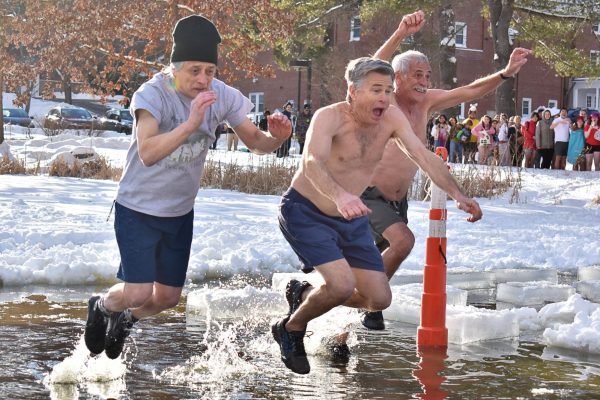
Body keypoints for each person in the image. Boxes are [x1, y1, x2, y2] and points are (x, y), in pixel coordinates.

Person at [83, 15, 291, 360]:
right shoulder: (152, 94)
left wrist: (276, 139)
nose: (203, 80)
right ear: (174, 68)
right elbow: (148, 152)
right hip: (138, 207)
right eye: (194, 71)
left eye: (210, 71)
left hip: (179, 212)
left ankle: (126, 320)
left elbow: (256, 142)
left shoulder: (220, 94)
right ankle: (103, 307)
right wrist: (192, 122)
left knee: (166, 298)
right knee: (137, 292)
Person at [274, 57, 482, 374]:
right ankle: (291, 328)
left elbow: (424, 157)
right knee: (342, 286)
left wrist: (458, 194)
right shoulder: (329, 117)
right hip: (307, 211)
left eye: (388, 90)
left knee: (378, 299)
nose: (384, 98)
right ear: (353, 90)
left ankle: (303, 293)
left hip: (350, 216)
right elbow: (311, 162)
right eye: (376, 90)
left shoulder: (391, 119)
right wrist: (340, 194)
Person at [357, 10, 530, 329]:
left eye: (427, 75)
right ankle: (373, 304)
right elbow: (368, 68)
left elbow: (468, 92)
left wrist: (505, 73)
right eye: (418, 75)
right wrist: (399, 34)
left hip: (397, 202)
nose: (425, 82)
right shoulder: (383, 101)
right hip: (368, 196)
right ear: (397, 79)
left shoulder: (426, 102)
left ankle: (318, 309)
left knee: (364, 269)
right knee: (404, 242)